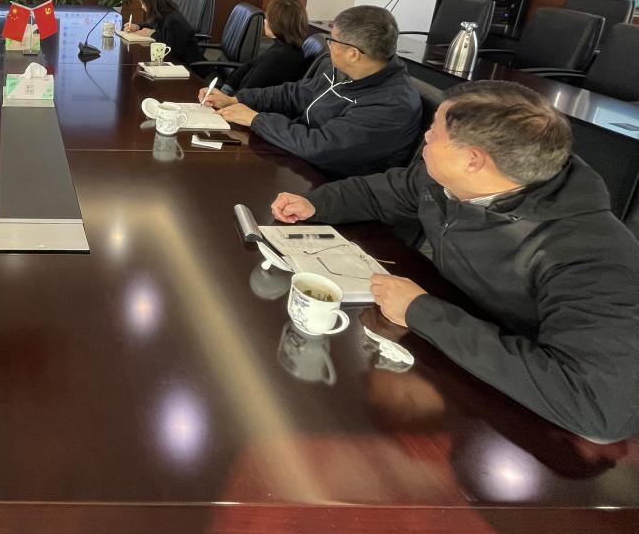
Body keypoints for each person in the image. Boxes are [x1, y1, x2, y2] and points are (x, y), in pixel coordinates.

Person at [270, 80, 639, 443]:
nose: (426, 137)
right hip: (456, 347)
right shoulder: (450, 179)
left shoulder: (592, 258)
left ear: (473, 160)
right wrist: (316, 203)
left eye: (434, 131)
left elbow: (598, 407)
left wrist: (422, 312)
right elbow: (384, 191)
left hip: (524, 418)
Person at [199, 4, 420, 177]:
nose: (329, 46)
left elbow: (321, 146)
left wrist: (256, 119)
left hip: (327, 182)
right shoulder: (349, 72)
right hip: (297, 159)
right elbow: (294, 94)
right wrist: (236, 99)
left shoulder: (392, 105)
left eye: (332, 40)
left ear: (353, 54)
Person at [220, 0, 311, 92]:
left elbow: (248, 91)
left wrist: (225, 95)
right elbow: (249, 65)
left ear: (280, 23)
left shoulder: (279, 56)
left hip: (243, 99)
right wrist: (227, 87)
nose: (265, 21)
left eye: (268, 18)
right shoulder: (286, 47)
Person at [122, 0, 203, 67]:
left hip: (188, 67)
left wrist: (150, 34)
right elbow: (154, 24)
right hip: (175, 64)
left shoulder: (174, 22)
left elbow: (169, 49)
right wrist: (138, 26)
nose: (142, 6)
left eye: (143, 3)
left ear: (152, 2)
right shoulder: (165, 13)